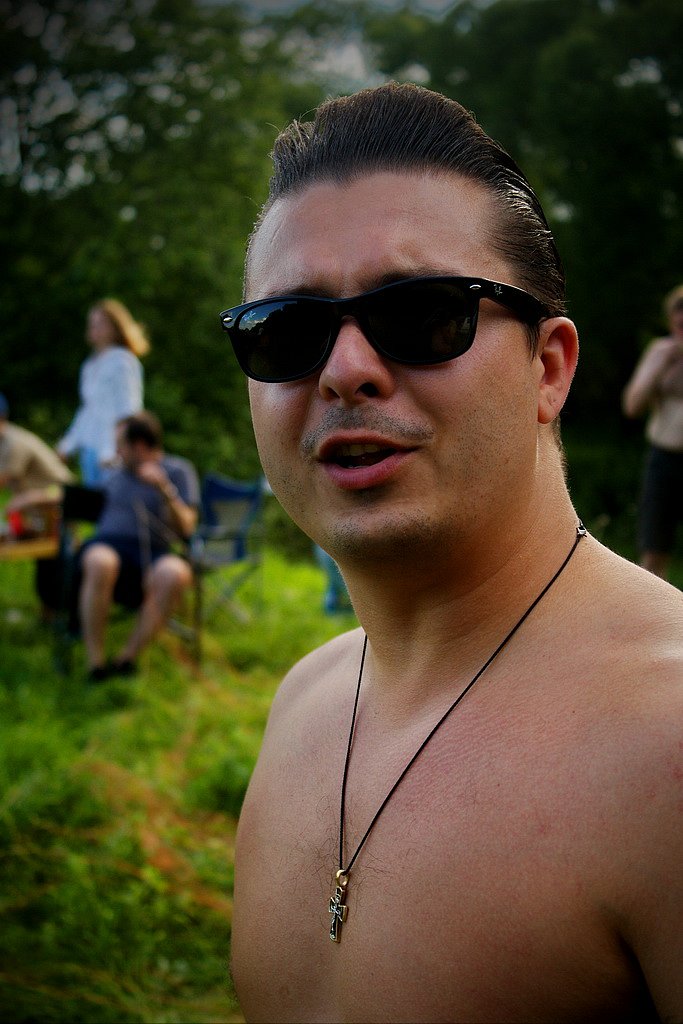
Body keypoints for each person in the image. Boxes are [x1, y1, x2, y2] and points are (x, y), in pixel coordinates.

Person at [225, 84, 683, 1022]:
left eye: (425, 314)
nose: (345, 370)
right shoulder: (303, 706)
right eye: (288, 331)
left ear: (547, 368)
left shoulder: (665, 745)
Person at [76, 411, 198, 681]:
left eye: (120, 445)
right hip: (107, 545)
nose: (116, 452)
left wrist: (163, 488)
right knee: (100, 560)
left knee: (175, 572)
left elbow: (187, 527)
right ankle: (95, 662)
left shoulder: (177, 471)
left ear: (139, 446)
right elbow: (84, 508)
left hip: (154, 552)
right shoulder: (112, 474)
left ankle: (127, 658)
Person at [623, 284, 683, 579]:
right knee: (654, 549)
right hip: (664, 460)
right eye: (678, 311)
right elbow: (632, 406)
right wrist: (662, 365)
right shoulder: (660, 352)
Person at [57, 298, 149, 486]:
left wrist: (115, 449)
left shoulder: (123, 361)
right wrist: (67, 445)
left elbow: (129, 409)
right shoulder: (89, 365)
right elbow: (87, 411)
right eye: (92, 323)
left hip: (112, 452)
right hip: (90, 450)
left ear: (115, 328)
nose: (94, 329)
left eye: (100, 324)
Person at [0, 392, 74, 617]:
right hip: (39, 507)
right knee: (47, 561)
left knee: (56, 561)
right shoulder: (5, 440)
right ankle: (51, 613)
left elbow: (2, 480)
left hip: (59, 501)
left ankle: (61, 613)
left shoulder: (14, 443)